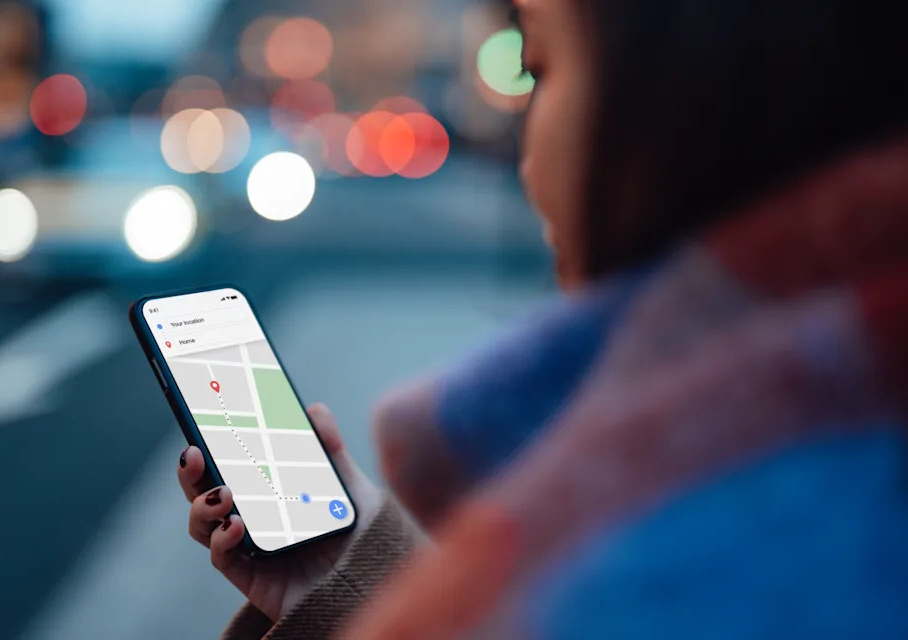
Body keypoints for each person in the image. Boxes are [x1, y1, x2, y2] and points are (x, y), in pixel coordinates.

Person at [177, 0, 908, 637]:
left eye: (539, 65)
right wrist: (345, 579)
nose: (527, 156)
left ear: (707, 83)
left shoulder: (682, 561)